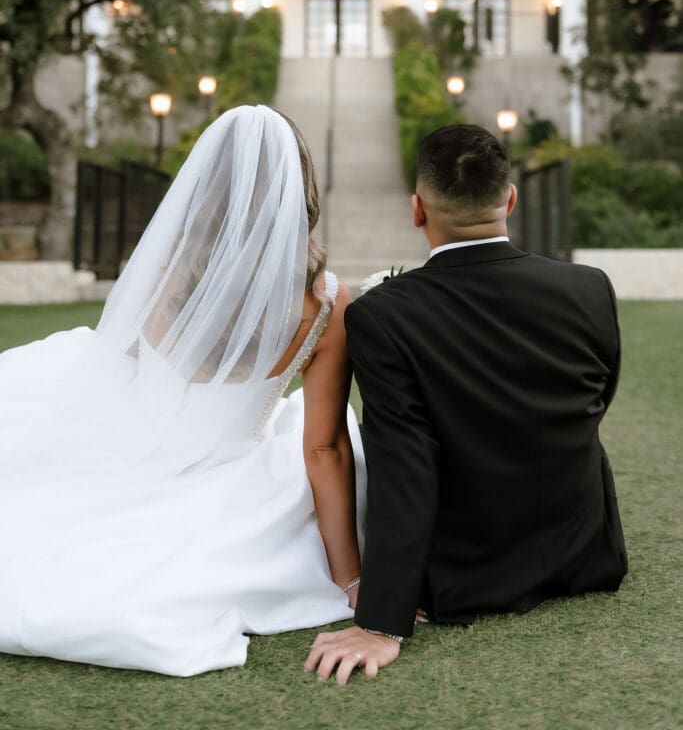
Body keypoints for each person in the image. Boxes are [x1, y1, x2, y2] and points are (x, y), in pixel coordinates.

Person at [0, 105, 365, 676]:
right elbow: (324, 450)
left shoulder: (165, 268)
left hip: (139, 437)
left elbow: (120, 364)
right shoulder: (327, 300)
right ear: (302, 186)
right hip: (236, 466)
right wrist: (350, 579)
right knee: (358, 456)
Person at [306, 123, 627, 685]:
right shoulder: (590, 287)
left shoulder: (382, 316)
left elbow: (404, 466)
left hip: (461, 580)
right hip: (587, 556)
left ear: (416, 211)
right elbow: (595, 404)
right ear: (510, 199)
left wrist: (381, 621)